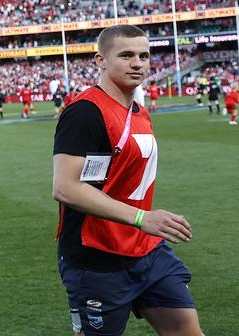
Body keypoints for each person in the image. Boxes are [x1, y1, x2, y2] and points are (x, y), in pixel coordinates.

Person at [52, 25, 203, 335]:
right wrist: (141, 218)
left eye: (144, 56)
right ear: (101, 61)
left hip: (147, 251)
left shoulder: (137, 111)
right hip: (98, 259)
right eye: (126, 55)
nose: (138, 63)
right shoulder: (86, 112)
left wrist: (142, 224)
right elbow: (66, 187)